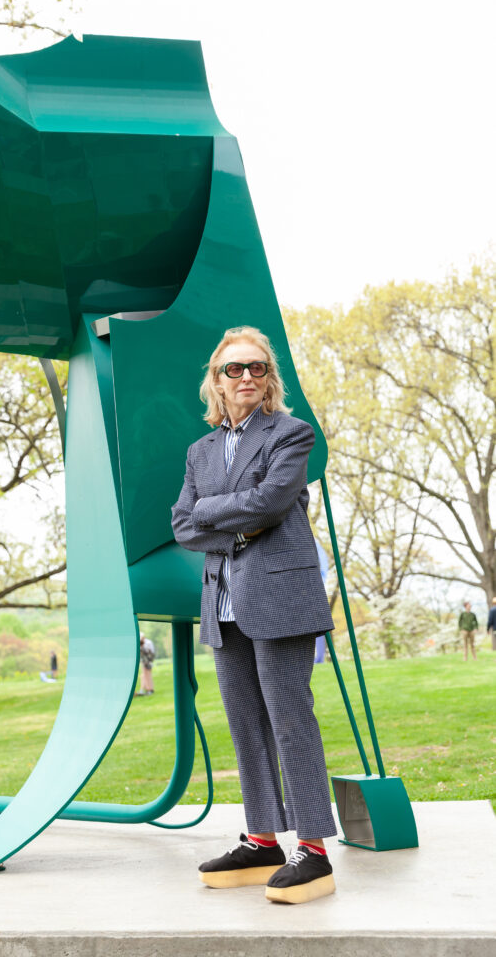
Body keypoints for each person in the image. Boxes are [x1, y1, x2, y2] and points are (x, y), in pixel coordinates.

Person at [172, 326, 337, 905]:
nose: (245, 377)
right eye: (233, 369)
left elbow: (270, 502)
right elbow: (181, 524)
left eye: (257, 368)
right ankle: (263, 839)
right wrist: (232, 520)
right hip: (223, 605)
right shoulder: (199, 452)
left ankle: (313, 851)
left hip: (282, 601)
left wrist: (213, 514)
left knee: (291, 721)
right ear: (215, 381)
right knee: (245, 727)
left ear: (270, 379)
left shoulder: (292, 435)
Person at [136, 632, 156, 696]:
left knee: (147, 675)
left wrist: (149, 661)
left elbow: (151, 653)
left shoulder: (148, 643)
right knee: (143, 676)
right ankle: (143, 689)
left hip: (148, 661)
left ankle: (149, 689)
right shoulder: (141, 644)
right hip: (144, 662)